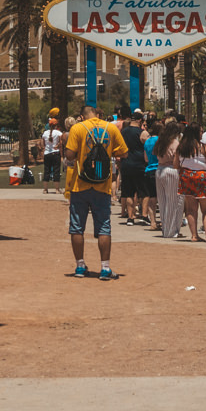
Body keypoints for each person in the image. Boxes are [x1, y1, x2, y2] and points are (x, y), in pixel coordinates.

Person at [63, 105, 129, 280]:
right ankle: (105, 268)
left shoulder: (77, 128)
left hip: (80, 184)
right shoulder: (110, 128)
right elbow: (123, 151)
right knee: (104, 227)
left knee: (77, 227)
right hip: (102, 184)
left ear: (82, 116)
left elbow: (70, 155)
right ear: (97, 114)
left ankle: (79, 266)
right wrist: (108, 152)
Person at [178, 122, 206, 242]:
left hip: (186, 176)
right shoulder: (203, 147)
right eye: (201, 131)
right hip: (202, 177)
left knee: (190, 208)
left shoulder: (181, 147)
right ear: (196, 133)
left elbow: (176, 164)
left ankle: (194, 235)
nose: (202, 133)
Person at [118, 111, 147, 226]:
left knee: (128, 192)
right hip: (139, 165)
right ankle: (144, 216)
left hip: (126, 164)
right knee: (144, 192)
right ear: (140, 121)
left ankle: (130, 217)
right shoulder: (142, 133)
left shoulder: (123, 132)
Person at [155, 121, 183, 238]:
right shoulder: (175, 143)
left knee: (162, 202)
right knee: (173, 202)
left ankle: (165, 229)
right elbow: (178, 159)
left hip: (159, 170)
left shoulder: (160, 142)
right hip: (171, 170)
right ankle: (171, 231)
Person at [141, 119, 163, 228]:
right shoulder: (161, 141)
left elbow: (145, 158)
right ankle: (164, 221)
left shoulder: (147, 141)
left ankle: (153, 222)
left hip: (149, 170)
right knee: (162, 197)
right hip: (160, 169)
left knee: (152, 198)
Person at [41, 117, 65, 187]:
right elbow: (62, 140)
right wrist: (57, 145)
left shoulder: (45, 133)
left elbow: (43, 144)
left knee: (46, 171)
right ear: (56, 125)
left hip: (47, 154)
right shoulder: (58, 132)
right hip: (56, 153)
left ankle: (45, 189)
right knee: (56, 171)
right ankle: (57, 189)